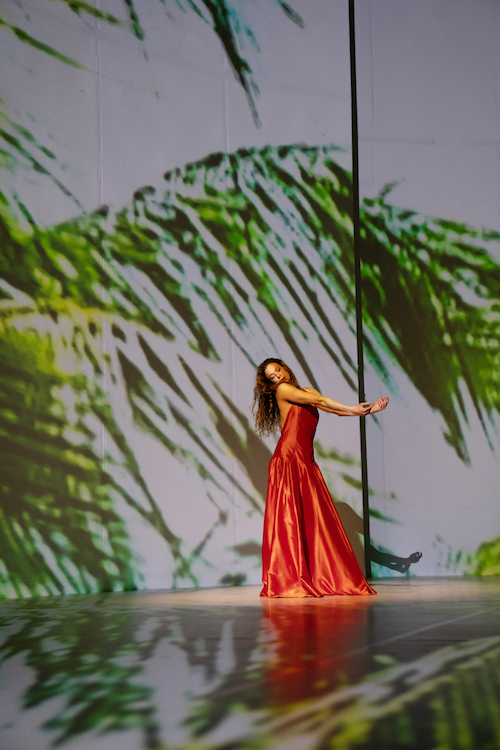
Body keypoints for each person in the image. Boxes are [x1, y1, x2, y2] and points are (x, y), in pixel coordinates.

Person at [253, 358, 389, 598]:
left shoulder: (308, 392)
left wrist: (367, 411)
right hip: (288, 461)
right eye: (271, 378)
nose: (277, 378)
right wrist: (353, 407)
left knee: (313, 521)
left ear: (284, 367)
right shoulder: (284, 391)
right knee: (290, 521)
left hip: (306, 462)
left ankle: (316, 574)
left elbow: (328, 407)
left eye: (277, 371)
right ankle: (290, 578)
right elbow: (321, 401)